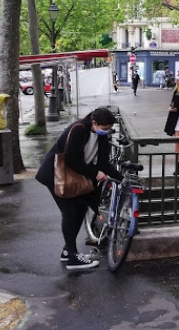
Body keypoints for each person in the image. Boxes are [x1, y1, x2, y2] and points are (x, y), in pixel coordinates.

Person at [35, 108, 123, 270]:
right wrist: (95, 173)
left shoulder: (101, 134)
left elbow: (103, 163)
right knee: (69, 212)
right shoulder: (78, 129)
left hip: (75, 176)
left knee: (81, 208)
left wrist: (122, 179)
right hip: (56, 175)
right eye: (104, 128)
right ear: (94, 123)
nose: (106, 132)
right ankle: (73, 258)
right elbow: (72, 159)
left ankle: (68, 251)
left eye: (109, 129)